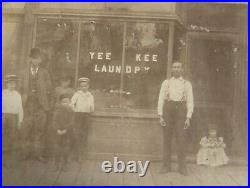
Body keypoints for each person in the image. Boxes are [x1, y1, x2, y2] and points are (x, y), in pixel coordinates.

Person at [157, 61, 194, 176]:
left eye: (178, 67)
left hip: (181, 111)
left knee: (181, 139)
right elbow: (161, 99)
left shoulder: (187, 84)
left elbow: (190, 101)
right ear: (172, 70)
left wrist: (188, 117)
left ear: (182, 70)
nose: (176, 69)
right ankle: (166, 166)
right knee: (167, 139)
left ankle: (182, 167)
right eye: (174, 67)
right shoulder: (166, 83)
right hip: (168, 110)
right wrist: (160, 115)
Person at [22, 47, 53, 162]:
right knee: (26, 130)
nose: (36, 61)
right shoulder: (24, 72)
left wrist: (47, 106)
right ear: (30, 59)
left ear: (41, 60)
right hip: (27, 105)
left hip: (40, 106)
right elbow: (20, 88)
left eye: (38, 59)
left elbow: (50, 90)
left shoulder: (45, 73)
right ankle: (25, 154)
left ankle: (38, 155)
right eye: (34, 58)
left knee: (40, 130)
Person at [70, 77, 94, 163]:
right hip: (78, 115)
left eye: (86, 86)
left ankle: (81, 155)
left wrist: (91, 110)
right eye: (82, 86)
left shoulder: (90, 95)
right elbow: (71, 104)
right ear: (79, 87)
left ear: (88, 86)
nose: (84, 88)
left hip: (86, 116)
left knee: (84, 135)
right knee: (77, 134)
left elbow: (91, 105)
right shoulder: (77, 94)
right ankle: (76, 154)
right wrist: (75, 110)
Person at [2, 75, 23, 168]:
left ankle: (9, 161)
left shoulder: (17, 95)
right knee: (3, 136)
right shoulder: (2, 93)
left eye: (13, 83)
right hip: (3, 116)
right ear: (6, 84)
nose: (12, 85)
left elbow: (20, 109)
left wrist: (20, 121)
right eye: (10, 83)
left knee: (12, 138)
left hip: (13, 118)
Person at [52, 94, 74, 171]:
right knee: (57, 149)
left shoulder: (71, 111)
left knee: (66, 149)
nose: (65, 104)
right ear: (60, 103)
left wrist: (66, 129)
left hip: (67, 133)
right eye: (63, 102)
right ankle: (56, 164)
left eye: (67, 102)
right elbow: (54, 121)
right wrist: (57, 129)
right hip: (58, 133)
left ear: (69, 102)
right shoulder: (57, 111)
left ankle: (64, 164)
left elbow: (71, 122)